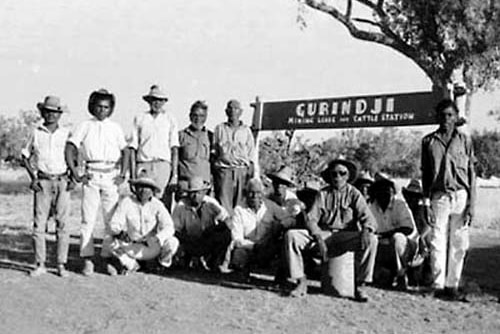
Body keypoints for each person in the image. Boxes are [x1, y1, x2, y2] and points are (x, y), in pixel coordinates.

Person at [284, 158, 378, 302]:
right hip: (324, 233)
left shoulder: (354, 194)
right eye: (334, 174)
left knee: (372, 240)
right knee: (292, 236)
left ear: (347, 176)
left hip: (345, 236)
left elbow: (368, 218)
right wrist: (318, 237)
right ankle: (300, 281)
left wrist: (366, 230)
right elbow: (311, 219)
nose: (338, 177)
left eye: (342, 173)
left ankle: (361, 284)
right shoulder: (322, 194)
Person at [65, 88, 130, 276]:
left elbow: (125, 151)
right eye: (99, 107)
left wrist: (123, 174)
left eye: (106, 107)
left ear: (111, 109)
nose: (102, 110)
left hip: (111, 175)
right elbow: (70, 147)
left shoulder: (115, 127)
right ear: (92, 107)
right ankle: (87, 259)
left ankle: (108, 257)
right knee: (88, 219)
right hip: (91, 175)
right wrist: (76, 173)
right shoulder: (85, 125)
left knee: (111, 219)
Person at [421, 98, 476, 301]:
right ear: (437, 117)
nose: (446, 119)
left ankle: (452, 285)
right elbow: (425, 174)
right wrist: (426, 202)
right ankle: (437, 284)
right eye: (442, 115)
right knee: (437, 240)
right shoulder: (428, 142)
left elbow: (472, 174)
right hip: (439, 196)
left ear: (456, 117)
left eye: (450, 115)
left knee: (460, 243)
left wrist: (472, 203)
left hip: (461, 195)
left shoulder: (465, 141)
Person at [21, 96, 72, 277]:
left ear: (60, 114)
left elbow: (73, 155)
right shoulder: (36, 133)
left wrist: (73, 176)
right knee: (39, 224)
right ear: (43, 113)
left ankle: (60, 264)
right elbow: (25, 155)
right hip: (43, 181)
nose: (51, 115)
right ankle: (40, 263)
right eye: (48, 111)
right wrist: (33, 178)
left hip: (62, 181)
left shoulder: (66, 133)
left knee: (63, 224)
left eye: (55, 112)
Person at [109, 177, 179, 274]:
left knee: (172, 242)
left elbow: (169, 227)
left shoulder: (158, 205)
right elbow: (114, 223)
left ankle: (161, 265)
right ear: (135, 189)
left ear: (152, 191)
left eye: (147, 188)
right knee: (110, 242)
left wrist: (158, 237)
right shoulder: (127, 202)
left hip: (153, 246)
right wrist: (121, 234)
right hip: (132, 246)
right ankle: (133, 265)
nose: (143, 191)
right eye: (140, 187)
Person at [225, 178, 290, 278]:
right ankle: (241, 272)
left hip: (268, 246)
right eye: (251, 193)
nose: (255, 196)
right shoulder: (239, 210)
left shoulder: (270, 206)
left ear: (262, 194)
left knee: (283, 245)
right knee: (239, 253)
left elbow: (289, 218)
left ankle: (281, 278)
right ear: (245, 193)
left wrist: (281, 225)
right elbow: (237, 239)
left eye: (258, 192)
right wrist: (255, 246)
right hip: (249, 248)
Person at [129, 85, 179, 211]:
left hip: (163, 166)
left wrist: (174, 175)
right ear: (149, 101)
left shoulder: (170, 119)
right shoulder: (140, 118)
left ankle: (163, 230)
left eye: (160, 100)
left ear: (164, 102)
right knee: (143, 201)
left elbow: (174, 149)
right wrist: (133, 173)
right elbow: (132, 148)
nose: (157, 103)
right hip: (144, 164)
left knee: (163, 203)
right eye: (154, 100)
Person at [172, 177, 231, 271]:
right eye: (192, 193)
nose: (195, 196)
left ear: (204, 192)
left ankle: (214, 261)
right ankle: (186, 260)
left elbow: (227, 219)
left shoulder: (211, 203)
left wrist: (213, 229)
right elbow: (174, 230)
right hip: (189, 241)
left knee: (226, 234)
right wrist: (187, 238)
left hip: (207, 239)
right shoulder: (181, 206)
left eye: (198, 192)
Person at [369, 178, 418, 290]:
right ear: (376, 193)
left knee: (397, 238)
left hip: (405, 249)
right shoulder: (371, 207)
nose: (386, 194)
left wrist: (385, 234)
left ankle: (401, 275)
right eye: (382, 191)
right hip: (381, 248)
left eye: (389, 191)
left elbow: (408, 229)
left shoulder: (399, 205)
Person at [213, 99, 258, 213]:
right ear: (226, 111)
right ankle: (226, 229)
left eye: (236, 108)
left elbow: (251, 155)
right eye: (230, 108)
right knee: (223, 206)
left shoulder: (246, 131)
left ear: (241, 112)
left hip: (241, 172)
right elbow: (214, 152)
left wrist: (250, 175)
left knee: (241, 206)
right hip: (224, 171)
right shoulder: (220, 129)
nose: (233, 111)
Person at [178, 100, 213, 184]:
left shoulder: (210, 136)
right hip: (185, 182)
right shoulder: (181, 135)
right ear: (190, 116)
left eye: (201, 116)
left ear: (205, 117)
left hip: (204, 184)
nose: (198, 119)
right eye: (195, 115)